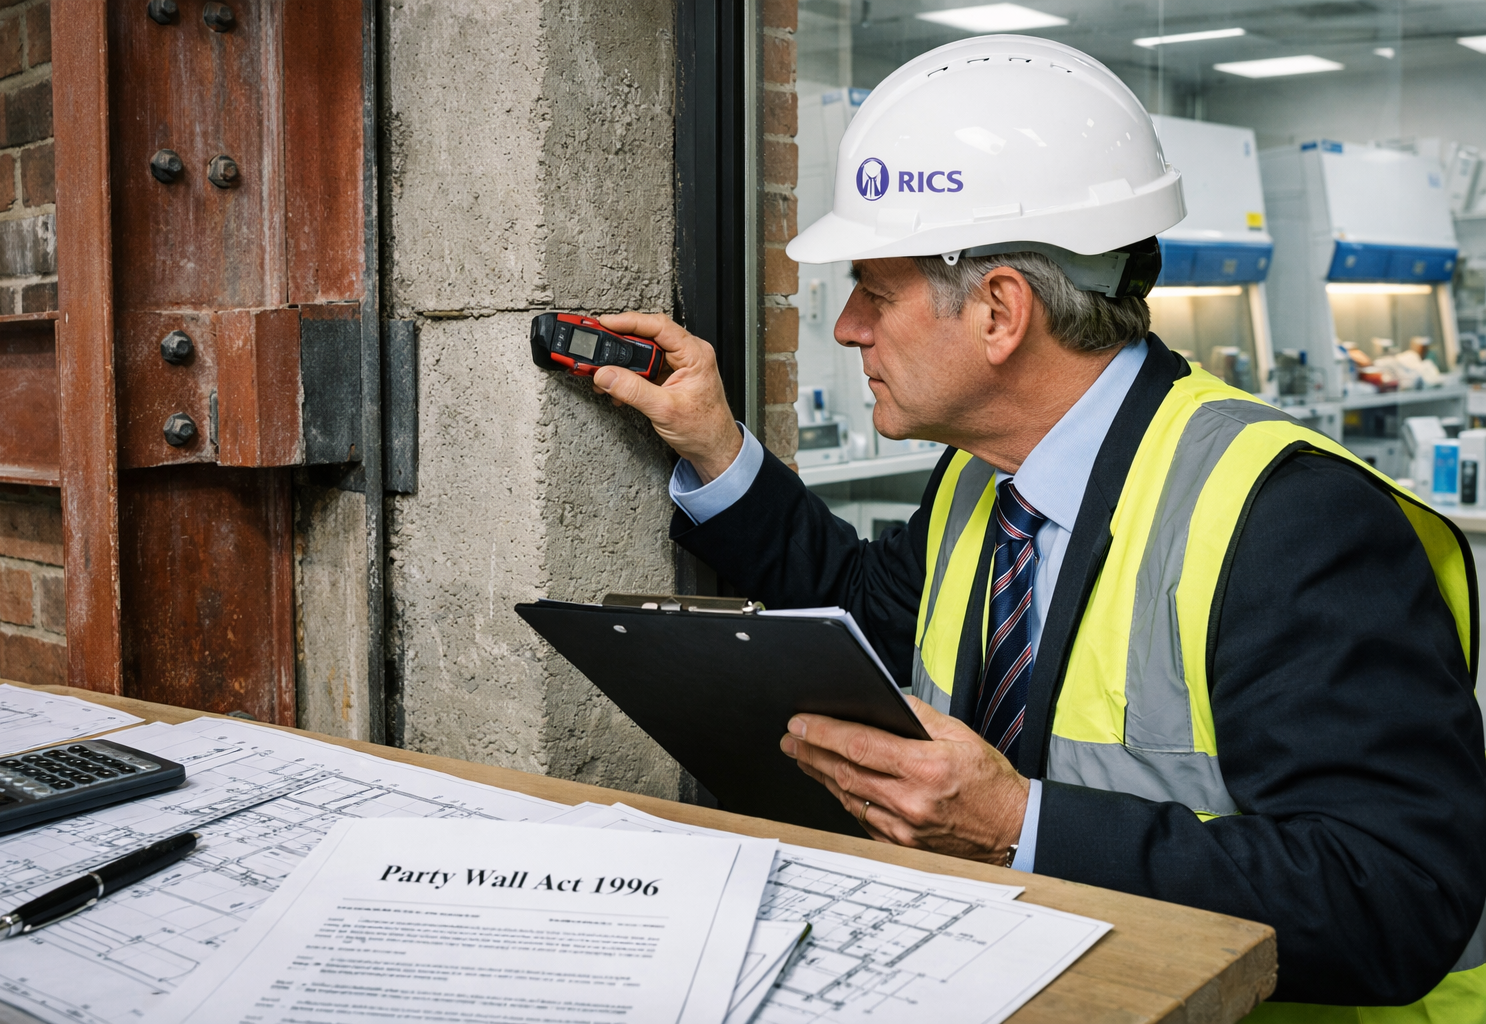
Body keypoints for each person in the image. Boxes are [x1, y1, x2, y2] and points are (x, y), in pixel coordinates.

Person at [589, 34, 1486, 1020]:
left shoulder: (1292, 522)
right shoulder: (978, 483)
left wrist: (1017, 824)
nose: (848, 329)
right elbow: (857, 615)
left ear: (1000, 313)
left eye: (875, 295)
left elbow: (1394, 897)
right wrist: (716, 447)